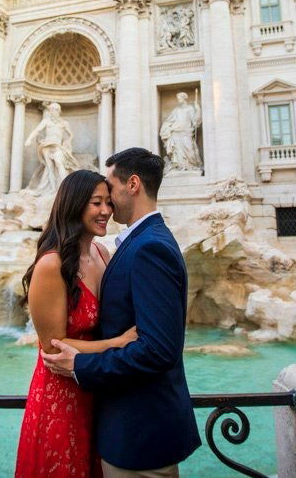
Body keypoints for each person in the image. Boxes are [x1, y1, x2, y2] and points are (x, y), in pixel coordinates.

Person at [43, 148, 201, 476]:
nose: (108, 203)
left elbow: (157, 351)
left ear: (132, 184)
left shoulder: (149, 248)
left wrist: (82, 364)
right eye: (97, 201)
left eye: (110, 190)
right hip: (123, 426)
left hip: (139, 433)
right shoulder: (139, 242)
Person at [15, 169, 138, 477]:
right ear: (75, 204)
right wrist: (117, 343)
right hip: (62, 396)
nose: (106, 211)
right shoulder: (51, 264)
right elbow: (52, 345)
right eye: (96, 203)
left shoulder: (101, 251)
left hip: (98, 388)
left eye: (108, 202)